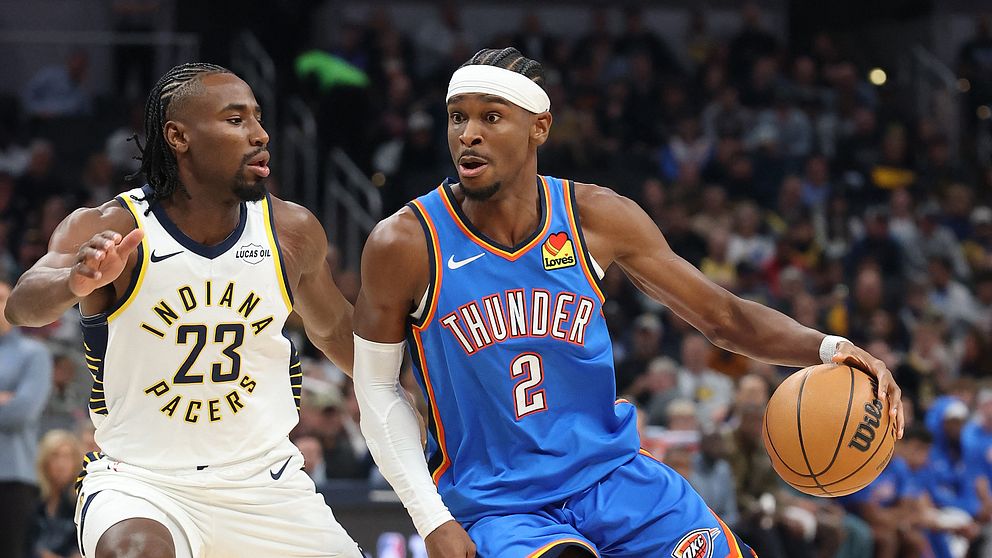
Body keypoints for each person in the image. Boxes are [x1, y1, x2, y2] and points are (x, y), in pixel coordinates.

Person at [352, 47, 905, 557]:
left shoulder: (596, 217)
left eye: (491, 117)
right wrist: (431, 517)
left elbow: (724, 318)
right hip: (500, 505)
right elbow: (376, 387)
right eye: (457, 118)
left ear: (539, 127)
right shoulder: (406, 242)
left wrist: (831, 348)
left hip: (614, 478)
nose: (468, 134)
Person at [5, 63, 362, 558]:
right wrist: (75, 281)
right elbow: (22, 305)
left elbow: (339, 332)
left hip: (266, 483)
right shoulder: (114, 225)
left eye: (258, 118)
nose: (260, 134)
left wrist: (425, 391)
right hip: (143, 484)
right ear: (178, 137)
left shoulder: (290, 230)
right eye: (235, 120)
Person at [0, 280, 54, 558]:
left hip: (13, 475)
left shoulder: (34, 353)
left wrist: (13, 403)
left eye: (1, 299)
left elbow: (22, 412)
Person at [33, 429, 85, 558]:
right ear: (45, 461)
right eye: (55, 455)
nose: (61, 464)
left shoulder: (81, 500)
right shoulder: (34, 498)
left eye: (67, 457)